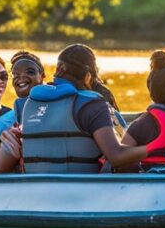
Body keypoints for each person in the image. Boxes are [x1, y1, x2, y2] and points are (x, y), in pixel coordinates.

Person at [13, 44, 147, 173]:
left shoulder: (31, 102)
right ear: (88, 76)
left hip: (35, 188)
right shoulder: (91, 104)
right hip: (82, 189)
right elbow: (116, 156)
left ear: (58, 70)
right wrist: (154, 147)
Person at [0, 51, 46, 173]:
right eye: (15, 74)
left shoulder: (57, 110)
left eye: (29, 72)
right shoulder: (1, 123)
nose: (21, 77)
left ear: (42, 76)